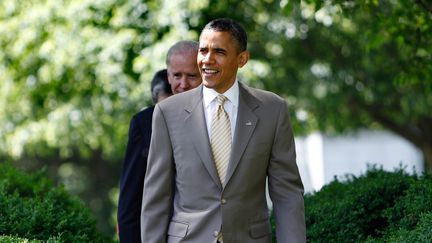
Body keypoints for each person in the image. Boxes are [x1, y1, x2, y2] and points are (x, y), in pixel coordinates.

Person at [141, 18, 306, 243]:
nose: (207, 60)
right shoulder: (167, 112)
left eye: (218, 51)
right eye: (203, 50)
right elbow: (156, 198)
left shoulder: (272, 110)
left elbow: (287, 194)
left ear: (242, 59)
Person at [118, 40, 202, 243]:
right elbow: (130, 200)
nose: (183, 84)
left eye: (191, 76)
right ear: (168, 76)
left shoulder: (222, 115)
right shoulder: (144, 123)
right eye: (177, 76)